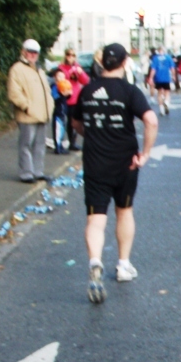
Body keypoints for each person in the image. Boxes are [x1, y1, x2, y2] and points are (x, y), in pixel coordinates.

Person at [71, 43, 158, 303]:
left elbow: (76, 122)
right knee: (124, 211)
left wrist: (94, 135)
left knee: (96, 219)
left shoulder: (87, 90)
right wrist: (145, 153)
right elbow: (151, 120)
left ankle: (95, 262)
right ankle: (123, 264)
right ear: (124, 63)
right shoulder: (130, 91)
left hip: (95, 162)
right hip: (126, 162)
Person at [7, 39, 54, 183]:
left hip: (42, 113)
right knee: (26, 145)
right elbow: (13, 93)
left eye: (35, 52)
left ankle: (37, 172)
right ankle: (26, 173)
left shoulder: (39, 69)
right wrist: (26, 106)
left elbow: (46, 90)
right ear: (23, 51)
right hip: (28, 114)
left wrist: (50, 105)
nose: (32, 55)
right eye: (29, 51)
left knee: (40, 145)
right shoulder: (17, 69)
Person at [56, 48, 89, 151]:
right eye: (69, 55)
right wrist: (70, 71)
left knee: (74, 121)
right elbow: (60, 79)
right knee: (62, 121)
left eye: (73, 55)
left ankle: (72, 142)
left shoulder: (77, 67)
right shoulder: (61, 68)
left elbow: (86, 81)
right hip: (64, 98)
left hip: (75, 99)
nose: (71, 57)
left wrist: (80, 72)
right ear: (65, 56)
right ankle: (59, 143)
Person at [149, 45, 176, 116]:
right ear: (164, 50)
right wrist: (173, 76)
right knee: (167, 92)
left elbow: (153, 69)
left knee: (159, 93)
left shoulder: (155, 58)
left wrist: (151, 77)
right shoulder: (168, 57)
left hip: (158, 78)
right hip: (166, 78)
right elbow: (172, 68)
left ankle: (161, 109)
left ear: (158, 50)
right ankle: (166, 102)